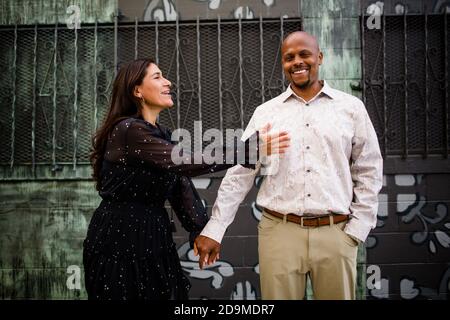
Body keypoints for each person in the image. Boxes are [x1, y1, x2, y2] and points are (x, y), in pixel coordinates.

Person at [195, 31, 383, 300]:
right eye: (289, 57)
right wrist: (215, 229)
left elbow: (369, 168)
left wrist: (357, 228)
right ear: (283, 63)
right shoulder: (267, 113)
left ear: (319, 57)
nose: (297, 61)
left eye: (304, 54)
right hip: (279, 234)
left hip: (336, 234)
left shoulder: (351, 108)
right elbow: (240, 174)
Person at [83, 58, 290, 300]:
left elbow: (180, 186)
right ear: (137, 90)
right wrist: (249, 148)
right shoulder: (128, 129)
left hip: (153, 237)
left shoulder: (161, 135)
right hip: (119, 239)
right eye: (157, 77)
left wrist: (203, 230)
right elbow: (182, 161)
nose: (168, 82)